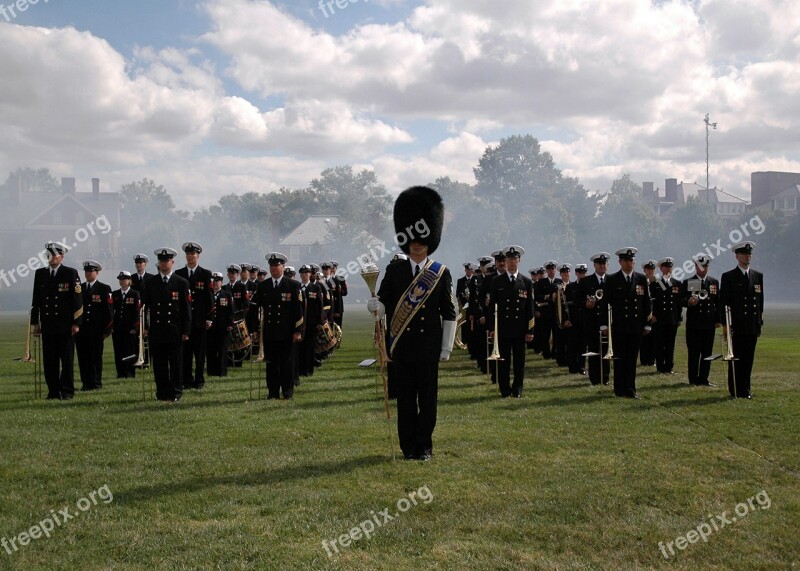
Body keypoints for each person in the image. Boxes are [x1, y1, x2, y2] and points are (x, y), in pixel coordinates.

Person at [368, 186, 456, 461]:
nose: (417, 243)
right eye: (412, 239)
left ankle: (425, 447)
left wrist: (446, 348)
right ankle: (408, 448)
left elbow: (450, 311)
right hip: (403, 347)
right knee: (406, 401)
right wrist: (376, 306)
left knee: (428, 402)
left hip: (429, 348)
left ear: (432, 240)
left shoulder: (440, 273)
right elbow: (383, 303)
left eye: (423, 238)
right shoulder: (394, 270)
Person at [30, 241, 83, 400]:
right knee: (49, 361)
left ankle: (66, 391)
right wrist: (35, 323)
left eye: (55, 255)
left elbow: (78, 300)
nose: (52, 257)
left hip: (66, 326)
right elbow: (36, 300)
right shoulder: (40, 274)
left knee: (66, 360)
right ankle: (53, 391)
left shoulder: (70, 273)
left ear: (62, 256)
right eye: (49, 255)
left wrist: (76, 323)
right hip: (48, 325)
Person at [250, 252, 304, 400]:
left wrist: (298, 331)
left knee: (286, 364)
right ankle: (272, 393)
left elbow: (298, 310)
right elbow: (256, 309)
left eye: (277, 265)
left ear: (283, 266)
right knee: (271, 365)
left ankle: (287, 393)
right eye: (271, 266)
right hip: (269, 332)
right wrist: (254, 329)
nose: (274, 268)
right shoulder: (263, 286)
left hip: (286, 332)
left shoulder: (293, 285)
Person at [142, 248, 192, 402]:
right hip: (157, 329)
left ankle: (176, 391)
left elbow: (186, 308)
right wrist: (144, 327)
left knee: (176, 364)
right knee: (159, 364)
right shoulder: (150, 282)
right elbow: (144, 307)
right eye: (161, 261)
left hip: (175, 330)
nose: (164, 263)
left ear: (172, 262)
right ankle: (162, 392)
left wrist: (186, 330)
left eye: (167, 261)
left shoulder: (181, 282)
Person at [604, 247, 652, 399]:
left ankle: (631, 389)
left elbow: (646, 303)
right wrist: (604, 325)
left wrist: (647, 323)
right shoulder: (611, 279)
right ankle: (619, 390)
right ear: (620, 262)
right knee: (619, 360)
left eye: (632, 260)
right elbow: (605, 303)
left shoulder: (641, 278)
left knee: (632, 360)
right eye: (626, 260)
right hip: (619, 326)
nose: (630, 263)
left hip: (636, 326)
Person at [487, 245, 534, 398]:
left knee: (519, 361)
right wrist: (491, 329)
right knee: (504, 361)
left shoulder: (526, 282)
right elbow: (492, 308)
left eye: (515, 259)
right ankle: (505, 389)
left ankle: (518, 388)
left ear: (519, 261)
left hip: (520, 328)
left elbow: (529, 309)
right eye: (509, 259)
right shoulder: (497, 281)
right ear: (505, 261)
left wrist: (530, 330)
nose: (512, 262)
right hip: (503, 328)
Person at [719, 242, 764, 399]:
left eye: (749, 254)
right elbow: (724, 302)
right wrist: (726, 325)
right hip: (736, 326)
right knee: (736, 359)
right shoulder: (729, 277)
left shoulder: (757, 276)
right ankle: (735, 390)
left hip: (752, 325)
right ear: (737, 256)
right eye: (744, 254)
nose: (748, 256)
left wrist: (759, 322)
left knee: (748, 360)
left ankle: (746, 390)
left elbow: (760, 302)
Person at [175, 242, 215, 389]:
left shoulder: (205, 274)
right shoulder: (179, 274)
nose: (190, 256)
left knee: (199, 353)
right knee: (185, 353)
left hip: (199, 320)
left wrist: (209, 318)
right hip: (184, 321)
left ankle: (199, 380)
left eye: (193, 254)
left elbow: (210, 298)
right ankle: (186, 380)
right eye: (188, 254)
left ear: (198, 256)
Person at [681, 255, 720, 386]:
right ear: (696, 267)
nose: (703, 269)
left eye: (705, 266)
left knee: (707, 353)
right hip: (694, 324)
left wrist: (718, 319)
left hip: (709, 323)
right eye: (700, 266)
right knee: (693, 353)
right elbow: (680, 300)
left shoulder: (713, 282)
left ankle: (704, 378)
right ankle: (693, 379)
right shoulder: (688, 282)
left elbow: (718, 302)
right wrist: (689, 302)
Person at [75, 260, 113, 391]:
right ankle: (86, 383)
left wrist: (106, 330)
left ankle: (96, 382)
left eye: (91, 271)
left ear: (97, 273)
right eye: (86, 271)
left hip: (96, 331)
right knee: (83, 358)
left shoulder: (104, 288)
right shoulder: (80, 288)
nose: (88, 273)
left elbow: (108, 311)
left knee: (95, 358)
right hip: (82, 330)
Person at [579, 253, 611, 386]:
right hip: (591, 322)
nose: (602, 266)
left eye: (604, 264)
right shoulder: (586, 281)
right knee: (593, 351)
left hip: (607, 322)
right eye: (600, 264)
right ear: (595, 265)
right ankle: (594, 378)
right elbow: (577, 301)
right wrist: (585, 304)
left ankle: (606, 377)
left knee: (606, 351)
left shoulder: (611, 280)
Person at [651, 257, 682, 374]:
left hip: (672, 319)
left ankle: (669, 367)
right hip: (659, 318)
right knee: (659, 344)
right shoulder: (655, 284)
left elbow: (678, 303)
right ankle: (660, 367)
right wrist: (652, 315)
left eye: (670, 267)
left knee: (670, 344)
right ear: (661, 268)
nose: (668, 269)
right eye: (666, 267)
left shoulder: (677, 283)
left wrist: (679, 318)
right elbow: (651, 301)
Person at [111, 271, 141, 379]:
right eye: (120, 279)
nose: (122, 281)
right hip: (118, 327)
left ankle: (129, 372)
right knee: (118, 351)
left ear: (129, 281)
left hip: (130, 328)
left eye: (124, 279)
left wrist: (135, 327)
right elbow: (112, 311)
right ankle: (120, 372)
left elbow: (137, 312)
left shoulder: (134, 294)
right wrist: (112, 327)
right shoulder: (115, 294)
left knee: (129, 351)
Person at [298, 265, 325, 377]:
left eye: (306, 273)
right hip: (299, 324)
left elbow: (320, 306)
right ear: (300, 275)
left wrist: (320, 322)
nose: (304, 275)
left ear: (310, 274)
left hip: (311, 323)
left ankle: (308, 370)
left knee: (309, 347)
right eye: (302, 273)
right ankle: (299, 370)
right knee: (300, 348)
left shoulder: (315, 288)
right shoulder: (297, 287)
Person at [207, 272, 234, 377]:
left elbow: (231, 311)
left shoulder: (226, 294)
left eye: (217, 281)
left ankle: (222, 371)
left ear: (222, 282)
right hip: (210, 327)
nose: (215, 283)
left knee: (222, 350)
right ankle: (211, 371)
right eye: (214, 281)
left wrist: (230, 324)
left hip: (223, 326)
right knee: (211, 350)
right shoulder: (208, 294)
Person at [534, 260, 561, 360]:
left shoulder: (559, 281)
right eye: (549, 269)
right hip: (545, 312)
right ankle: (546, 354)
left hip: (556, 312)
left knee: (556, 335)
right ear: (547, 270)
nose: (551, 271)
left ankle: (554, 353)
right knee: (544, 335)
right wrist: (547, 296)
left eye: (553, 269)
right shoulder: (541, 282)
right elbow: (536, 296)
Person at [566, 263, 588, 375]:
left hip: (585, 320)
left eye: (584, 273)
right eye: (580, 273)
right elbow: (565, 306)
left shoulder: (589, 286)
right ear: (576, 273)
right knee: (572, 344)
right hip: (573, 320)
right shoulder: (570, 287)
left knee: (583, 345)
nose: (582, 275)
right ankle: (572, 366)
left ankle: (582, 366)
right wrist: (566, 319)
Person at [639, 260, 658, 367]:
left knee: (654, 339)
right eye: (647, 269)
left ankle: (652, 360)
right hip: (643, 315)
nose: (650, 271)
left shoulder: (659, 282)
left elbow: (660, 300)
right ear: (644, 270)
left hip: (655, 315)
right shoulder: (640, 282)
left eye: (652, 269)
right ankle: (643, 360)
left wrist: (655, 314)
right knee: (643, 339)